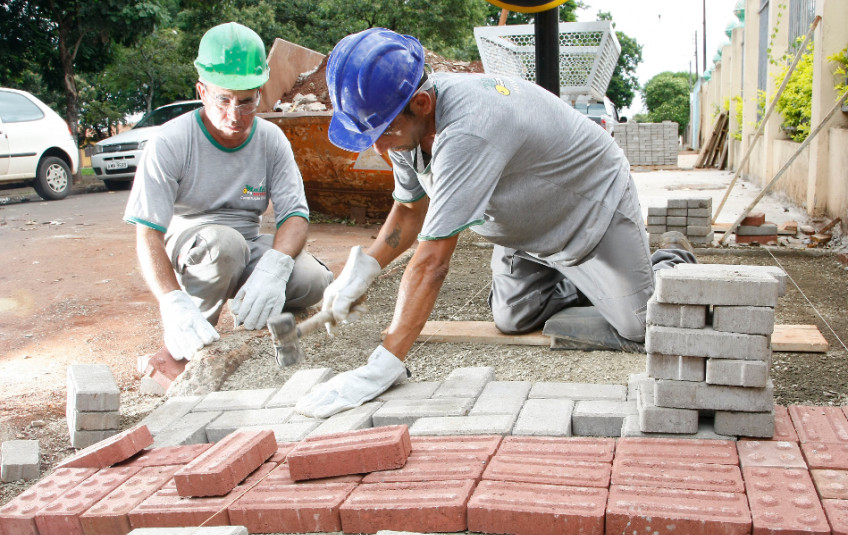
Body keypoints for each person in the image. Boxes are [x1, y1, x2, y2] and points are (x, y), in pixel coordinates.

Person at [297, 28, 694, 418]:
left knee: (640, 325)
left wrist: (383, 365)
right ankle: (588, 281)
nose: (377, 146)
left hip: (589, 209)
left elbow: (431, 263)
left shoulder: (468, 129)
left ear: (421, 103)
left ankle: (669, 260)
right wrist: (365, 268)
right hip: (528, 229)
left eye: (382, 132)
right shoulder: (403, 125)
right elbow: (409, 210)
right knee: (512, 317)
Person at [124, 22, 332, 370]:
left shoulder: (271, 140)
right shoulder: (171, 141)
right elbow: (148, 233)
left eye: (246, 102)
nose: (235, 115)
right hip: (195, 247)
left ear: (259, 93)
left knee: (313, 279)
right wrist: (172, 301)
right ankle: (186, 349)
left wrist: (273, 270)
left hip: (247, 245)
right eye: (223, 99)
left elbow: (295, 216)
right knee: (225, 246)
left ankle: (256, 329)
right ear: (202, 91)